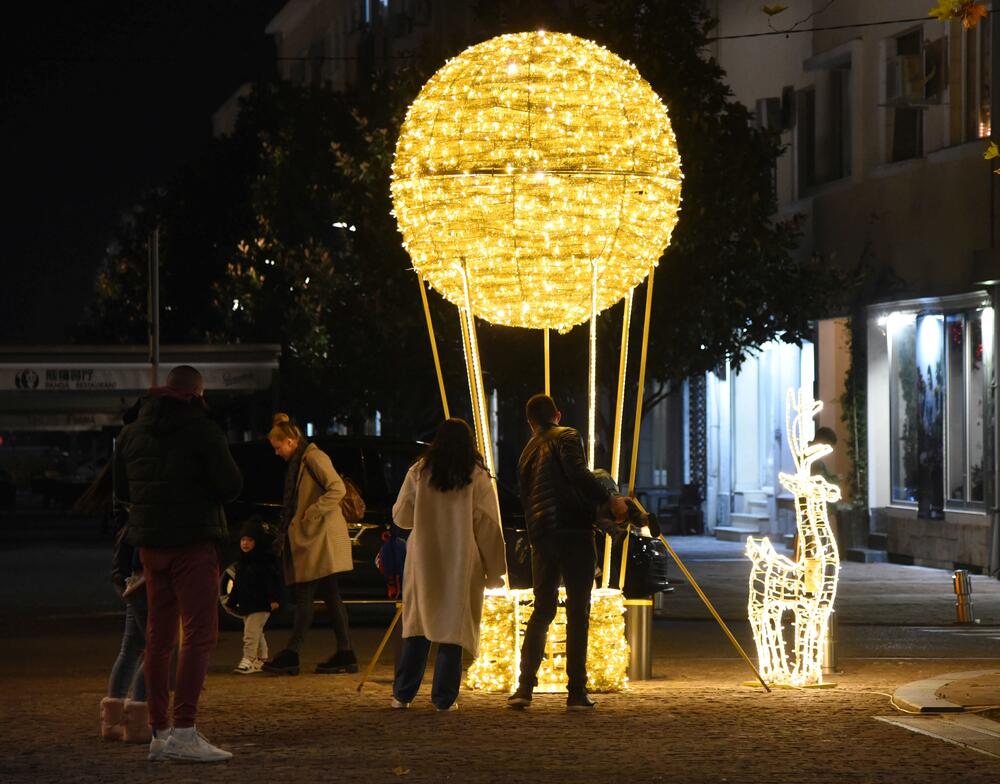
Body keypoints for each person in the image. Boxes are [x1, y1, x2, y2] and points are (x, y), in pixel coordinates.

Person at [114, 365, 243, 763]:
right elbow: (231, 486)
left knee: (158, 638)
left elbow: (122, 491)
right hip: (193, 543)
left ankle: (159, 732)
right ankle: (185, 731)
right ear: (198, 393)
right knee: (200, 635)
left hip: (151, 547)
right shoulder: (203, 430)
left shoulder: (131, 433)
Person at [507, 394, 627, 711]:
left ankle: (524, 688)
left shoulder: (525, 453)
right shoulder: (568, 435)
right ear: (557, 415)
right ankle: (575, 691)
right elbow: (576, 473)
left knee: (542, 610)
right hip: (574, 531)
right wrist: (609, 499)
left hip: (542, 536)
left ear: (530, 421)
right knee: (578, 612)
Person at [390, 418, 507, 711]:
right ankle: (443, 698)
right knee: (451, 630)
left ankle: (402, 694)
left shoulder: (418, 472)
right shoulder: (477, 476)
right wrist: (495, 571)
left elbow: (401, 517)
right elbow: (488, 525)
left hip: (422, 559)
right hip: (460, 558)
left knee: (417, 626)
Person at [263, 414, 357, 676]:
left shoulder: (313, 458)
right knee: (329, 594)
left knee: (306, 594)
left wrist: (312, 512)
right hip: (314, 538)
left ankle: (293, 653)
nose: (276, 452)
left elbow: (336, 488)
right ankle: (345, 652)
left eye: (278, 447)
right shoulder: (302, 460)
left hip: (318, 538)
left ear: (291, 441)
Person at [101, 521, 149, 744]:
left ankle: (113, 721)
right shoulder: (149, 521)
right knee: (157, 651)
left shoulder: (132, 521)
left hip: (133, 585)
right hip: (145, 585)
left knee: (131, 649)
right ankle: (137, 722)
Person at [228, 519, 282, 674]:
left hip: (261, 603)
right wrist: (233, 601)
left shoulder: (264, 561)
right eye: (243, 539)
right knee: (256, 631)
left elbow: (272, 581)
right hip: (248, 603)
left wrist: (273, 599)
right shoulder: (243, 562)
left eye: (250, 540)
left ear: (257, 542)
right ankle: (261, 658)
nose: (245, 543)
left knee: (250, 633)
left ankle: (249, 659)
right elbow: (238, 584)